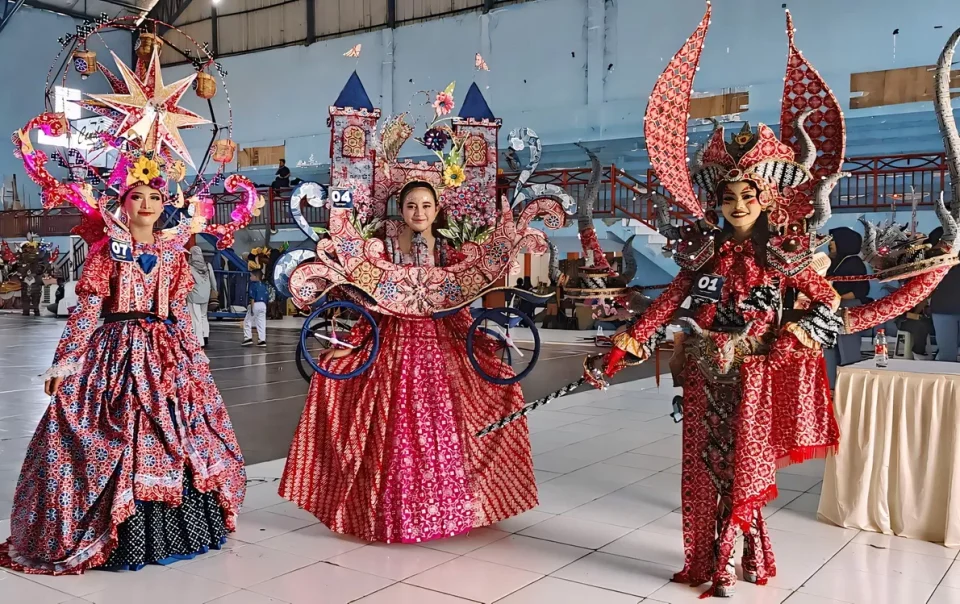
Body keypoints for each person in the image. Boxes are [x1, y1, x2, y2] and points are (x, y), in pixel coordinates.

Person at [0, 161, 246, 574]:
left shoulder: (173, 253)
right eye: (138, 197)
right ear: (123, 205)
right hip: (115, 353)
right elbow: (88, 309)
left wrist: (194, 356)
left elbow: (181, 313)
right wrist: (64, 360)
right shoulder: (107, 251)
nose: (147, 204)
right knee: (109, 429)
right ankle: (110, 528)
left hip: (167, 356)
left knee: (177, 432)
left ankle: (175, 527)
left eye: (155, 198)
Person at [278, 180, 537, 543]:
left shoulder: (449, 251)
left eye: (427, 206)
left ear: (436, 209)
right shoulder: (382, 250)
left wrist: (479, 343)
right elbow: (374, 307)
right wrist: (353, 345)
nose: (419, 212)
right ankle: (395, 516)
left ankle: (448, 512)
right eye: (412, 205)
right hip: (394, 348)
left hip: (441, 348)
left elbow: (458, 306)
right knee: (393, 431)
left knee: (451, 425)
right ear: (401, 210)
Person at [824, 227, 869, 388]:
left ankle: (851, 390)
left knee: (848, 351)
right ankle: (830, 388)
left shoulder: (854, 262)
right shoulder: (832, 262)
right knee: (829, 350)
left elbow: (860, 291)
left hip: (847, 309)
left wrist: (835, 296)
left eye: (834, 240)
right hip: (830, 309)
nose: (830, 244)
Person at [187, 246, 217, 348]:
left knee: (196, 318)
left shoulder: (189, 267)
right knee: (204, 316)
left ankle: (199, 340)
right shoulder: (208, 265)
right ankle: (205, 335)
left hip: (194, 295)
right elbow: (213, 280)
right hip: (206, 294)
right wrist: (215, 290)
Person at [244, 269, 268, 347]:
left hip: (256, 304)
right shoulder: (264, 286)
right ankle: (262, 340)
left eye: (251, 276)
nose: (250, 278)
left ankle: (248, 338)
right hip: (263, 305)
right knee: (261, 323)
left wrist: (251, 309)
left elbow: (252, 298)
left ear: (256, 276)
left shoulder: (253, 285)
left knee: (247, 321)